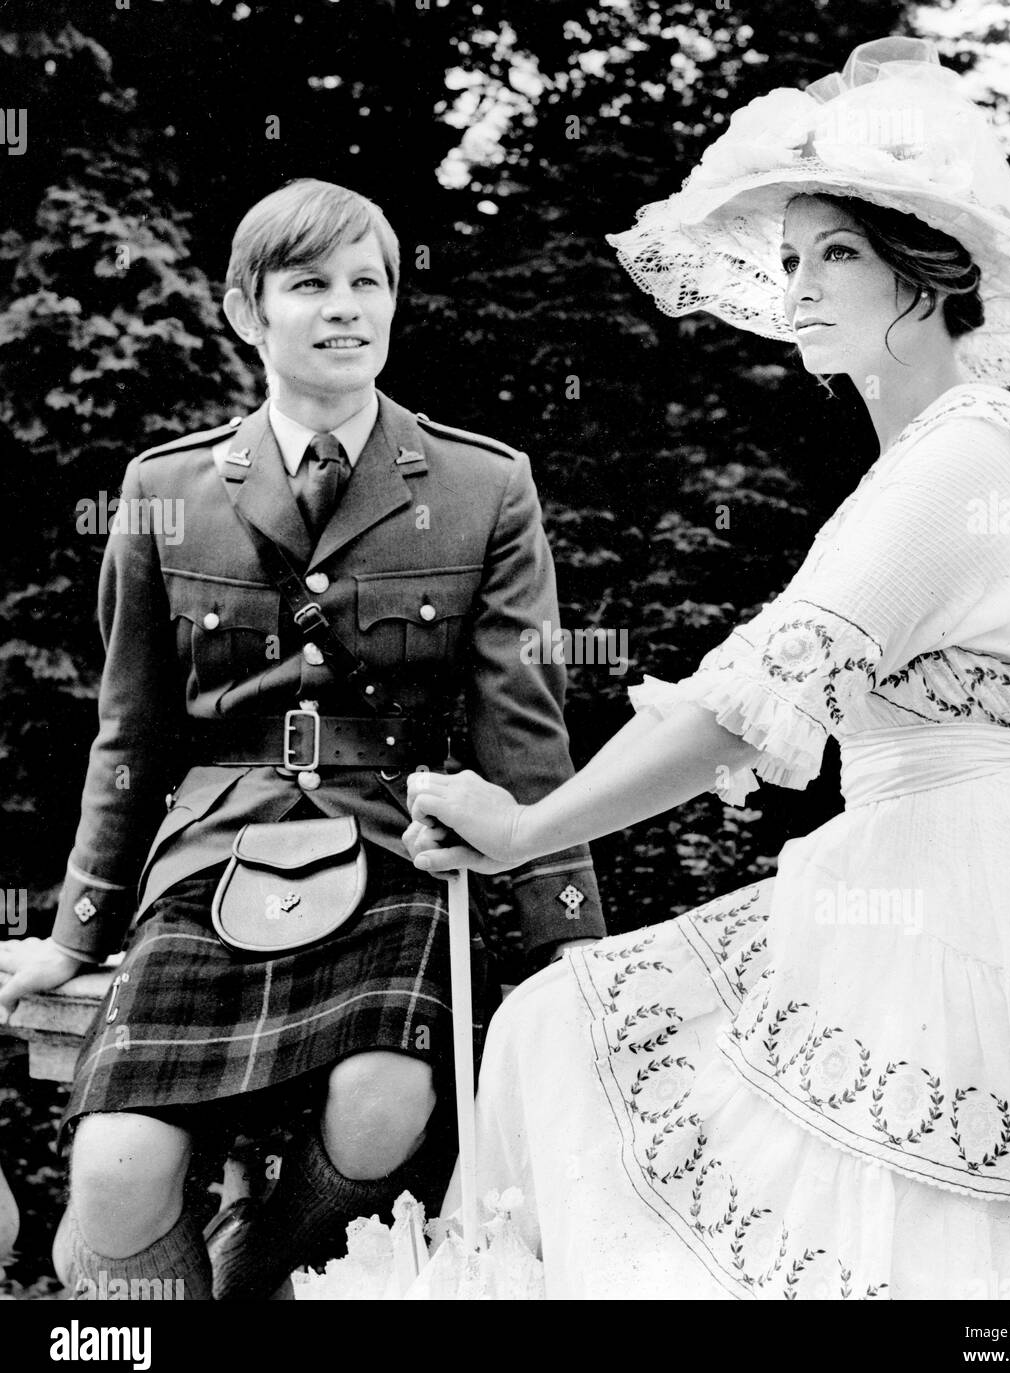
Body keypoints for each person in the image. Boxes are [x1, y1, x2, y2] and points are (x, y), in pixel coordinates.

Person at [404, 38, 1010, 1299]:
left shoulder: (952, 460)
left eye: (836, 254)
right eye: (792, 257)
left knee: (891, 1233)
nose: (798, 283)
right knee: (561, 1035)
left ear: (926, 278)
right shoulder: (943, 450)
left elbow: (738, 708)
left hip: (968, 895)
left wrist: (528, 828)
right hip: (951, 857)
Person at [0, 178, 605, 1300]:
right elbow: (129, 731)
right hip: (211, 857)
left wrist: (568, 932)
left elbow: (522, 723)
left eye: (368, 283)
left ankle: (260, 1265)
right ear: (245, 311)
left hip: (396, 847)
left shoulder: (483, 484)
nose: (346, 308)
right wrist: (75, 931)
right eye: (310, 284)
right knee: (118, 1166)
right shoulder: (163, 487)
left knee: (384, 1104)